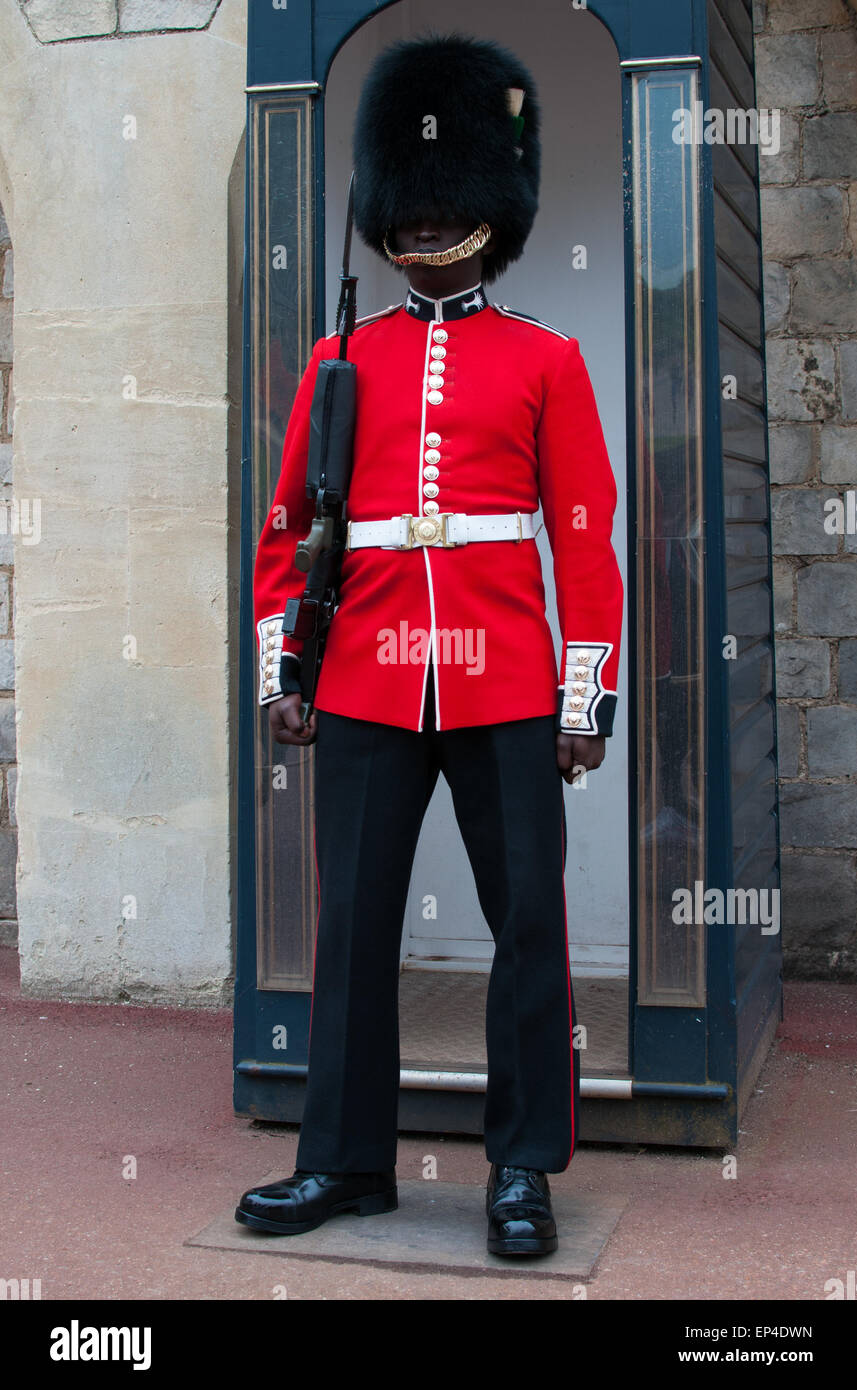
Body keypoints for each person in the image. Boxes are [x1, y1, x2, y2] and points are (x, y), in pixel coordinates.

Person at [235, 30, 624, 1258]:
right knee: (349, 922)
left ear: (487, 212)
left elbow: (584, 541)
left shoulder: (547, 361)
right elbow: (289, 528)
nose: (422, 224)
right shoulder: (338, 359)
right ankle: (346, 1161)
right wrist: (281, 669)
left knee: (525, 927)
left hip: (505, 680)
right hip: (362, 680)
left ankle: (520, 1167)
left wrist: (582, 693)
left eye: (446, 202)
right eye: (408, 205)